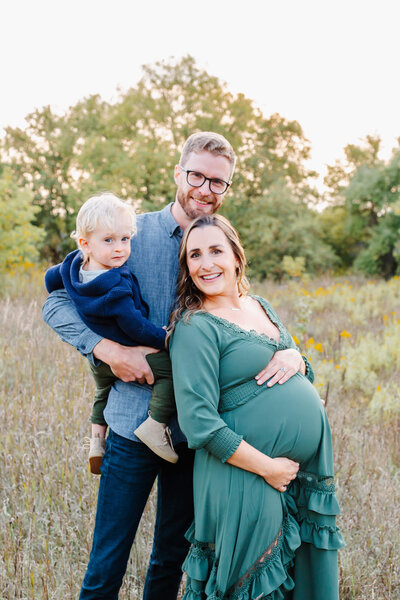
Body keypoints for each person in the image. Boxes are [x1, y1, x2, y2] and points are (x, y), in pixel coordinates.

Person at [42, 131, 312, 600]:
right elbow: (57, 301)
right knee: (107, 562)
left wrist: (292, 351)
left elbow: (247, 314)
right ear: (178, 173)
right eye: (197, 176)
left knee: (170, 559)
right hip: (132, 426)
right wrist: (106, 349)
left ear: (227, 188)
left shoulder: (218, 247)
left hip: (198, 437)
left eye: (218, 182)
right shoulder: (128, 232)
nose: (206, 189)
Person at [168, 214, 345, 600]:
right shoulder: (194, 327)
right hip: (245, 472)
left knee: (303, 580)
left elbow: (298, 370)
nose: (206, 263)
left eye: (216, 250)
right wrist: (269, 468)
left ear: (236, 256)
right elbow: (198, 423)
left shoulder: (260, 305)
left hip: (298, 474)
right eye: (194, 255)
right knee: (249, 584)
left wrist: (297, 358)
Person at [44, 192, 178, 472]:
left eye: (125, 239)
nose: (119, 249)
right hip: (126, 349)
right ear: (85, 243)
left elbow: (50, 279)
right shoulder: (115, 287)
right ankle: (155, 425)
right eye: (109, 240)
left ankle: (96, 440)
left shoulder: (72, 266)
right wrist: (163, 338)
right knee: (172, 372)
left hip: (99, 362)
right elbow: (134, 326)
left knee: (102, 391)